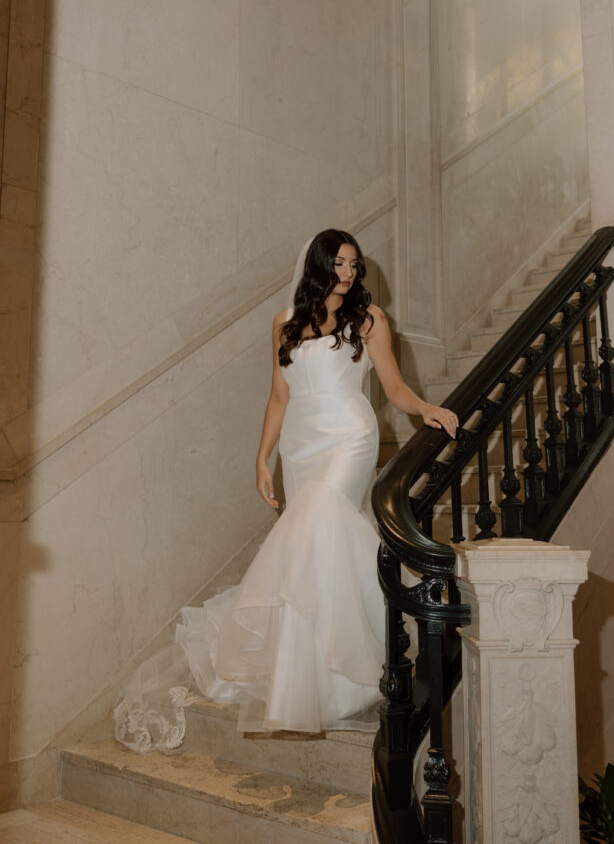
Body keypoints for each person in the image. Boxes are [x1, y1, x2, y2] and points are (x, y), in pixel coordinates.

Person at [114, 230, 458, 753]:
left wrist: (424, 408)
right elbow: (279, 397)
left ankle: (340, 676)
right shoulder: (283, 323)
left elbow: (392, 386)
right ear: (319, 266)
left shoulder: (369, 320)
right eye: (340, 263)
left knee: (320, 517)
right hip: (301, 443)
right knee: (311, 548)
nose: (350, 272)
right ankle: (316, 677)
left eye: (354, 264)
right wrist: (262, 456)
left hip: (349, 435)